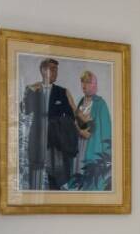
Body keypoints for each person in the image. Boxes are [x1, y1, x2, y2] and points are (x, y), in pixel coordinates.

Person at [21, 57, 78, 190]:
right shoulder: (33, 89)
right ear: (42, 70)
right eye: (52, 69)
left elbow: (70, 116)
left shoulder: (62, 92)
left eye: (56, 70)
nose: (55, 72)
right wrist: (28, 93)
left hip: (56, 143)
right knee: (35, 172)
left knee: (56, 176)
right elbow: (24, 110)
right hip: (37, 138)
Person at [74, 69, 112, 191]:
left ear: (95, 85)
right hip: (80, 145)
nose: (84, 85)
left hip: (94, 147)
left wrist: (107, 156)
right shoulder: (80, 102)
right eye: (83, 82)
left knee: (93, 182)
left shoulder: (101, 104)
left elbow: (107, 133)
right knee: (79, 176)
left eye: (88, 82)